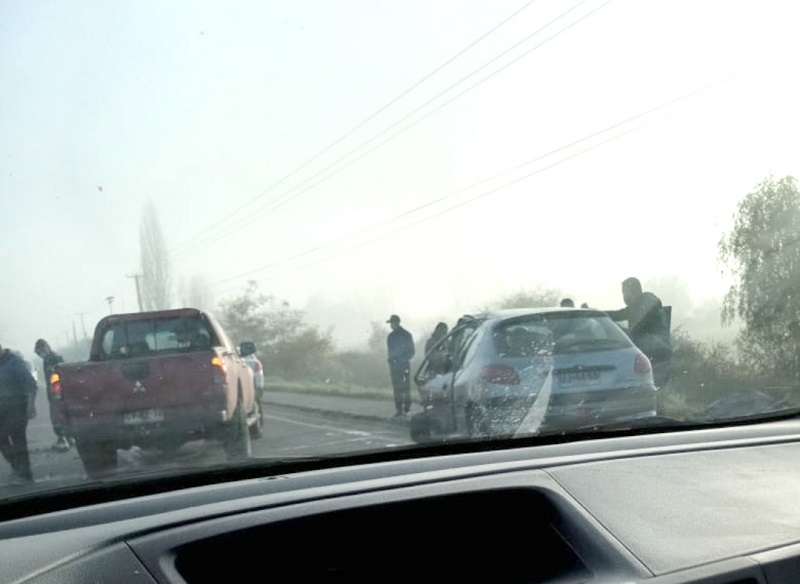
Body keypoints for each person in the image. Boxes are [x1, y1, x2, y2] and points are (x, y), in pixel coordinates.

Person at [605, 277, 673, 388]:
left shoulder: (641, 305)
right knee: (657, 390)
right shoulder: (647, 303)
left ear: (632, 291)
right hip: (663, 352)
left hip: (652, 354)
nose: (624, 297)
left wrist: (596, 315)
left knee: (648, 390)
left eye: (624, 292)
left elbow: (621, 316)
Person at [0, 342, 38, 484]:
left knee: (18, 439)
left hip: (17, 406)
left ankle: (26, 474)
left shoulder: (15, 363)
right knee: (2, 439)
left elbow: (30, 385)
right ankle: (17, 466)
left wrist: (30, 406)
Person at [34, 339, 70, 452]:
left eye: (40, 352)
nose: (41, 355)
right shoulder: (47, 360)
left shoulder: (55, 359)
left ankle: (63, 439)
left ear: (45, 348)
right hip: (54, 392)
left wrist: (56, 392)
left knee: (57, 416)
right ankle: (68, 438)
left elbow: (58, 377)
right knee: (60, 415)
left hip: (58, 392)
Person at [386, 314, 415, 417]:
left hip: (400, 365)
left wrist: (397, 360)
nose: (391, 325)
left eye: (392, 323)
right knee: (402, 387)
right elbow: (411, 352)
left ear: (396, 323)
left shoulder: (394, 336)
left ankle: (403, 408)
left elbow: (410, 351)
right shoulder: (406, 335)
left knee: (401, 387)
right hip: (400, 365)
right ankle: (402, 408)